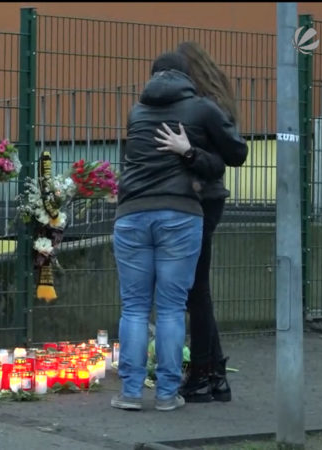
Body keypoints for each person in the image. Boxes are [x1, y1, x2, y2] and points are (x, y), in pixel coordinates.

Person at [111, 52, 247, 412]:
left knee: (134, 308)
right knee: (171, 308)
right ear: (188, 78)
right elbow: (234, 154)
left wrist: (189, 152)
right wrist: (191, 153)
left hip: (132, 215)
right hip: (179, 214)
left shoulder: (136, 112)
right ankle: (168, 394)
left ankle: (130, 393)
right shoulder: (202, 109)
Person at [156, 41, 245, 403]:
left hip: (200, 200)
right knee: (197, 289)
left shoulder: (200, 107)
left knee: (197, 290)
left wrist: (189, 153)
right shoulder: (213, 103)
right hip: (205, 198)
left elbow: (231, 153)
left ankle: (204, 374)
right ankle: (213, 374)